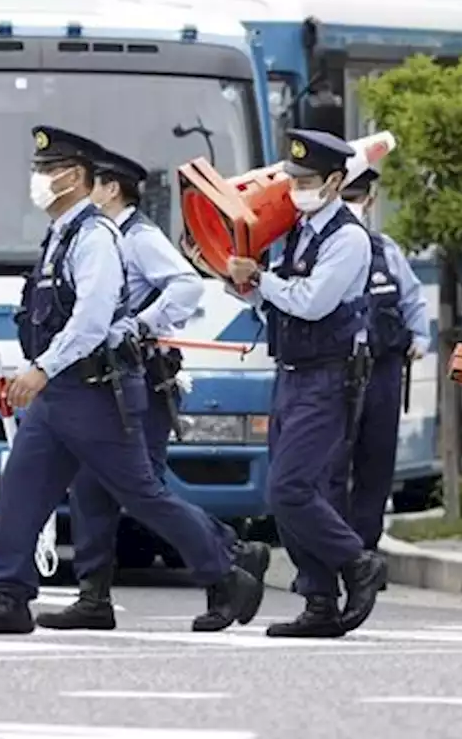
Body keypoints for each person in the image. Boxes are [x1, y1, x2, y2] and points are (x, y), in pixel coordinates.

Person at [0, 126, 265, 636]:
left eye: (47, 171)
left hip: (96, 392)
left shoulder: (96, 237)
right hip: (60, 392)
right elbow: (51, 320)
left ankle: (226, 571)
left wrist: (42, 369)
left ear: (74, 177)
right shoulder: (60, 236)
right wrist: (28, 372)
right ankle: (8, 597)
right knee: (23, 487)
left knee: (141, 494)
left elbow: (92, 322)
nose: (38, 180)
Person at [34, 144, 268, 632]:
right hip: (105, 382)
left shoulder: (136, 237)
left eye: (88, 182)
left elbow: (185, 285)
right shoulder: (98, 235)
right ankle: (93, 596)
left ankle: (228, 559)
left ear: (110, 188)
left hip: (139, 379)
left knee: (143, 489)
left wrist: (139, 324)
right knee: (92, 489)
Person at [226, 129, 388, 639]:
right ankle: (318, 599)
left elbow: (312, 301)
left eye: (309, 180)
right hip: (293, 372)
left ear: (337, 181)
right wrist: (240, 283)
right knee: (294, 491)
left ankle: (356, 563)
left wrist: (262, 279)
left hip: (329, 375)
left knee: (291, 487)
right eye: (293, 180)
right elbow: (272, 299)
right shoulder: (295, 232)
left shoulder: (347, 238)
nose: (297, 189)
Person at [333, 165, 430, 551]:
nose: (351, 206)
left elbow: (412, 296)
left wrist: (420, 335)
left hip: (383, 369)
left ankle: (365, 552)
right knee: (332, 464)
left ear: (370, 202)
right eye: (344, 199)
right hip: (337, 369)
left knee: (376, 461)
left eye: (356, 199)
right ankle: (331, 554)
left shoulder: (385, 249)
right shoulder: (321, 250)